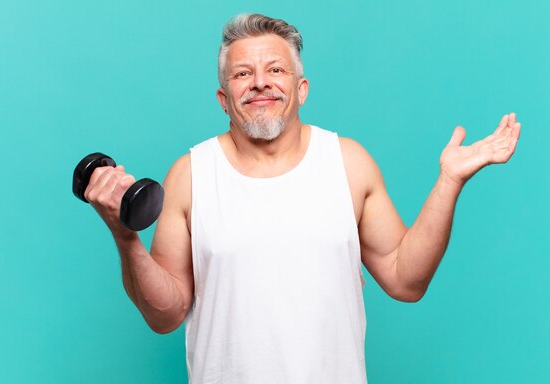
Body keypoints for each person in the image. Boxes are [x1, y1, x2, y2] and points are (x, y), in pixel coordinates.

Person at [83, 13, 521, 384]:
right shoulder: (191, 174)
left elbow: (407, 281)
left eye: (275, 70)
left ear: (302, 88)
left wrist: (449, 181)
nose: (259, 83)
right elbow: (165, 314)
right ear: (223, 98)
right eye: (242, 74)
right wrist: (125, 237)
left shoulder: (348, 162)